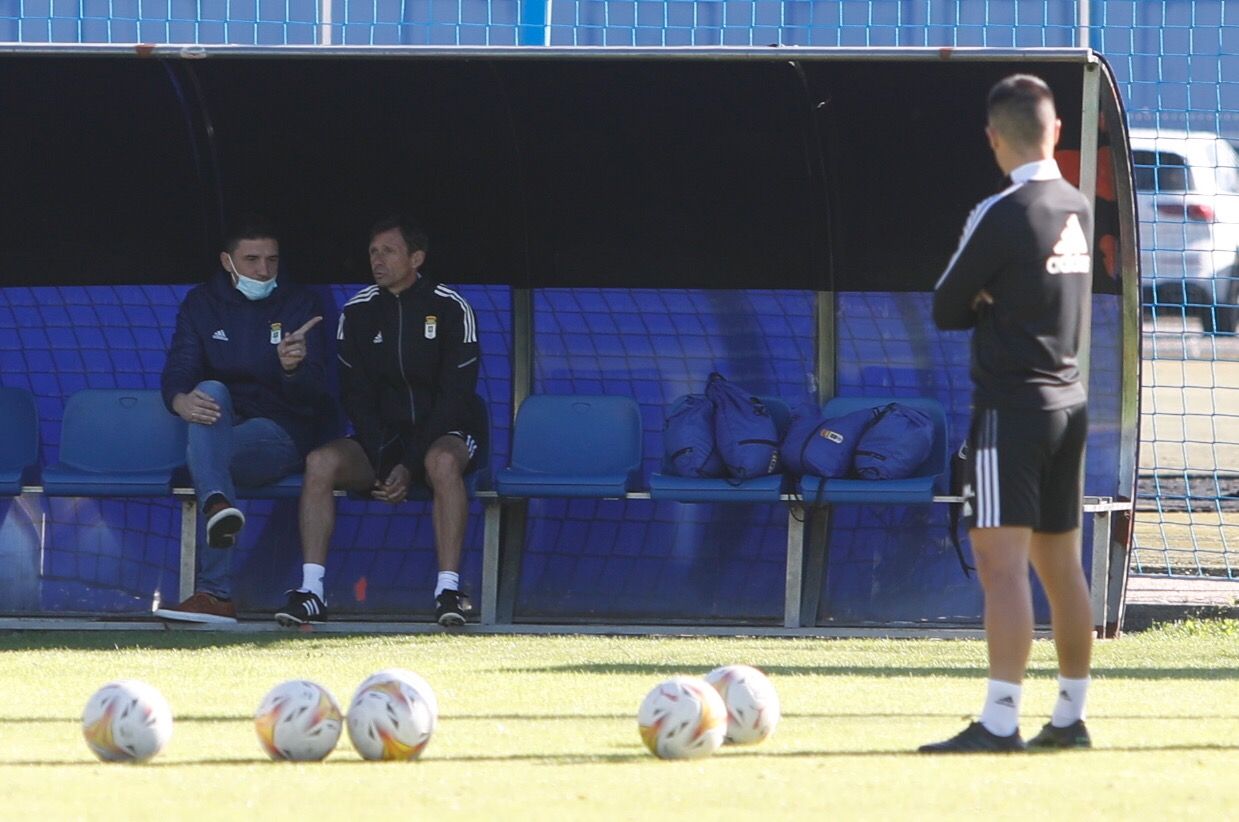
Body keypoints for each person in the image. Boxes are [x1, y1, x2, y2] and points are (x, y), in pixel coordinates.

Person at [921, 75, 1094, 753]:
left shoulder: (1001, 211)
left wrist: (987, 297)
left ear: (993, 139)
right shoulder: (1076, 205)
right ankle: (1070, 715)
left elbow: (943, 309)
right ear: (1054, 131)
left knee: (999, 565)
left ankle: (998, 722)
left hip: (1011, 411)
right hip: (1067, 406)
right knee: (1061, 567)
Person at [274, 215, 486, 628]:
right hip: (381, 441)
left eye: (388, 251)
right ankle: (312, 591)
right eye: (373, 251)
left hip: (446, 433)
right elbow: (355, 395)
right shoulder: (357, 312)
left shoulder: (451, 307)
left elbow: (455, 398)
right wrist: (388, 460)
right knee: (320, 462)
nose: (377, 259)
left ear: (416, 258)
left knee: (441, 462)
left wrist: (408, 462)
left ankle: (448, 590)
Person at [154, 217, 332, 623]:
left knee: (207, 458)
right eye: (251, 260)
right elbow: (180, 367)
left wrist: (293, 369)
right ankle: (218, 503)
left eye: (272, 260)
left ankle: (215, 593)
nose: (263, 270)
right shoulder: (201, 303)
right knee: (210, 392)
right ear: (226, 261)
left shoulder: (299, 303)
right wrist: (178, 400)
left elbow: (316, 396)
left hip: (281, 432)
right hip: (221, 428)